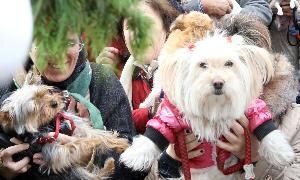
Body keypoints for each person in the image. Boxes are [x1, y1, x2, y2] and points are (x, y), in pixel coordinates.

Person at [0, 32, 137, 179]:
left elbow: (134, 166)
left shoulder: (102, 80)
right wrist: (4, 171)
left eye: (69, 43)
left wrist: (91, 155)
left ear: (80, 44)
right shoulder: (7, 85)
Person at [97, 0, 181, 134]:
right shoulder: (124, 75)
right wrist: (103, 82)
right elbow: (110, 126)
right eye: (130, 26)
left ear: (167, 28)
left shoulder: (186, 68)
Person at [269, 0, 299, 76]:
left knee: (291, 74)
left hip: (291, 41)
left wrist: (296, 13)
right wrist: (268, 9)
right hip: (271, 40)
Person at [180, 0, 272, 25]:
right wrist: (200, 6)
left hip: (233, 50)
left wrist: (231, 20)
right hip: (189, 55)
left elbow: (262, 9)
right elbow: (168, 15)